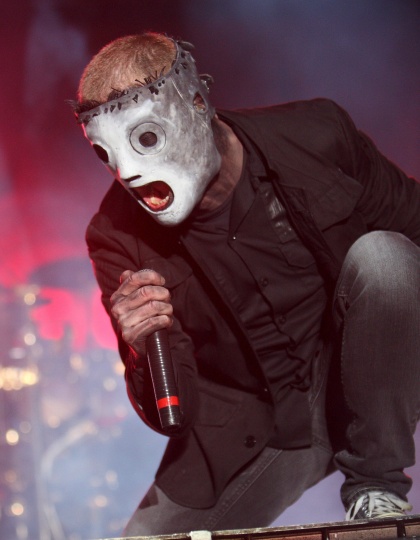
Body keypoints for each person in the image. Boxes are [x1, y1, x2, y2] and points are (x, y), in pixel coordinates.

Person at [73, 32, 420, 535]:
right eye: (106, 154)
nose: (126, 172)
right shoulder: (115, 237)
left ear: (196, 105)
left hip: (371, 374)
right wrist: (140, 348)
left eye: (145, 139)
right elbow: (175, 413)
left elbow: (414, 229)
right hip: (259, 427)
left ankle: (377, 489)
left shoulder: (317, 134)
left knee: (384, 258)